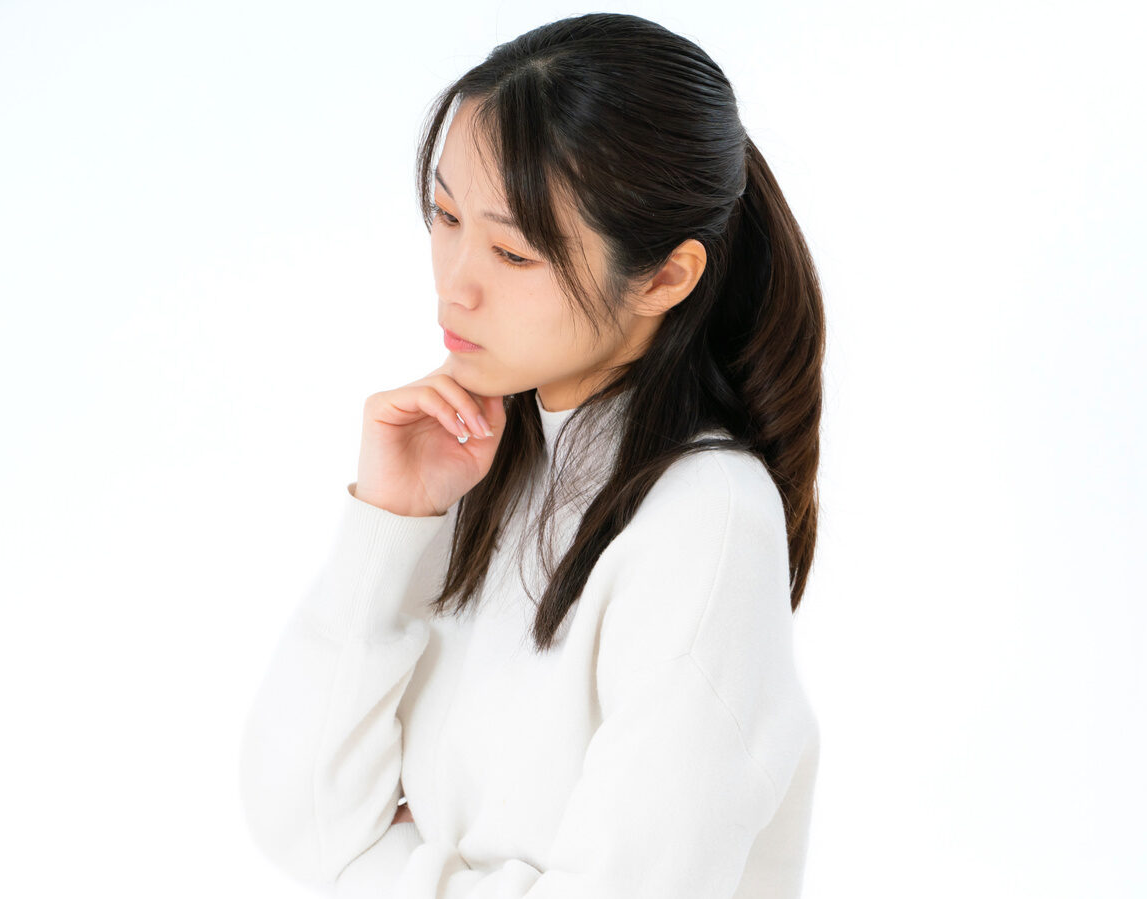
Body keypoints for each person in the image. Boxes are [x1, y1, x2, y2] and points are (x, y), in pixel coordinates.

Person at [237, 12, 825, 898]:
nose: (455, 283)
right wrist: (389, 524)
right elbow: (301, 818)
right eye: (445, 215)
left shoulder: (707, 518)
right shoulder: (482, 462)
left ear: (665, 275)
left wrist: (379, 863)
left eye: (514, 252)